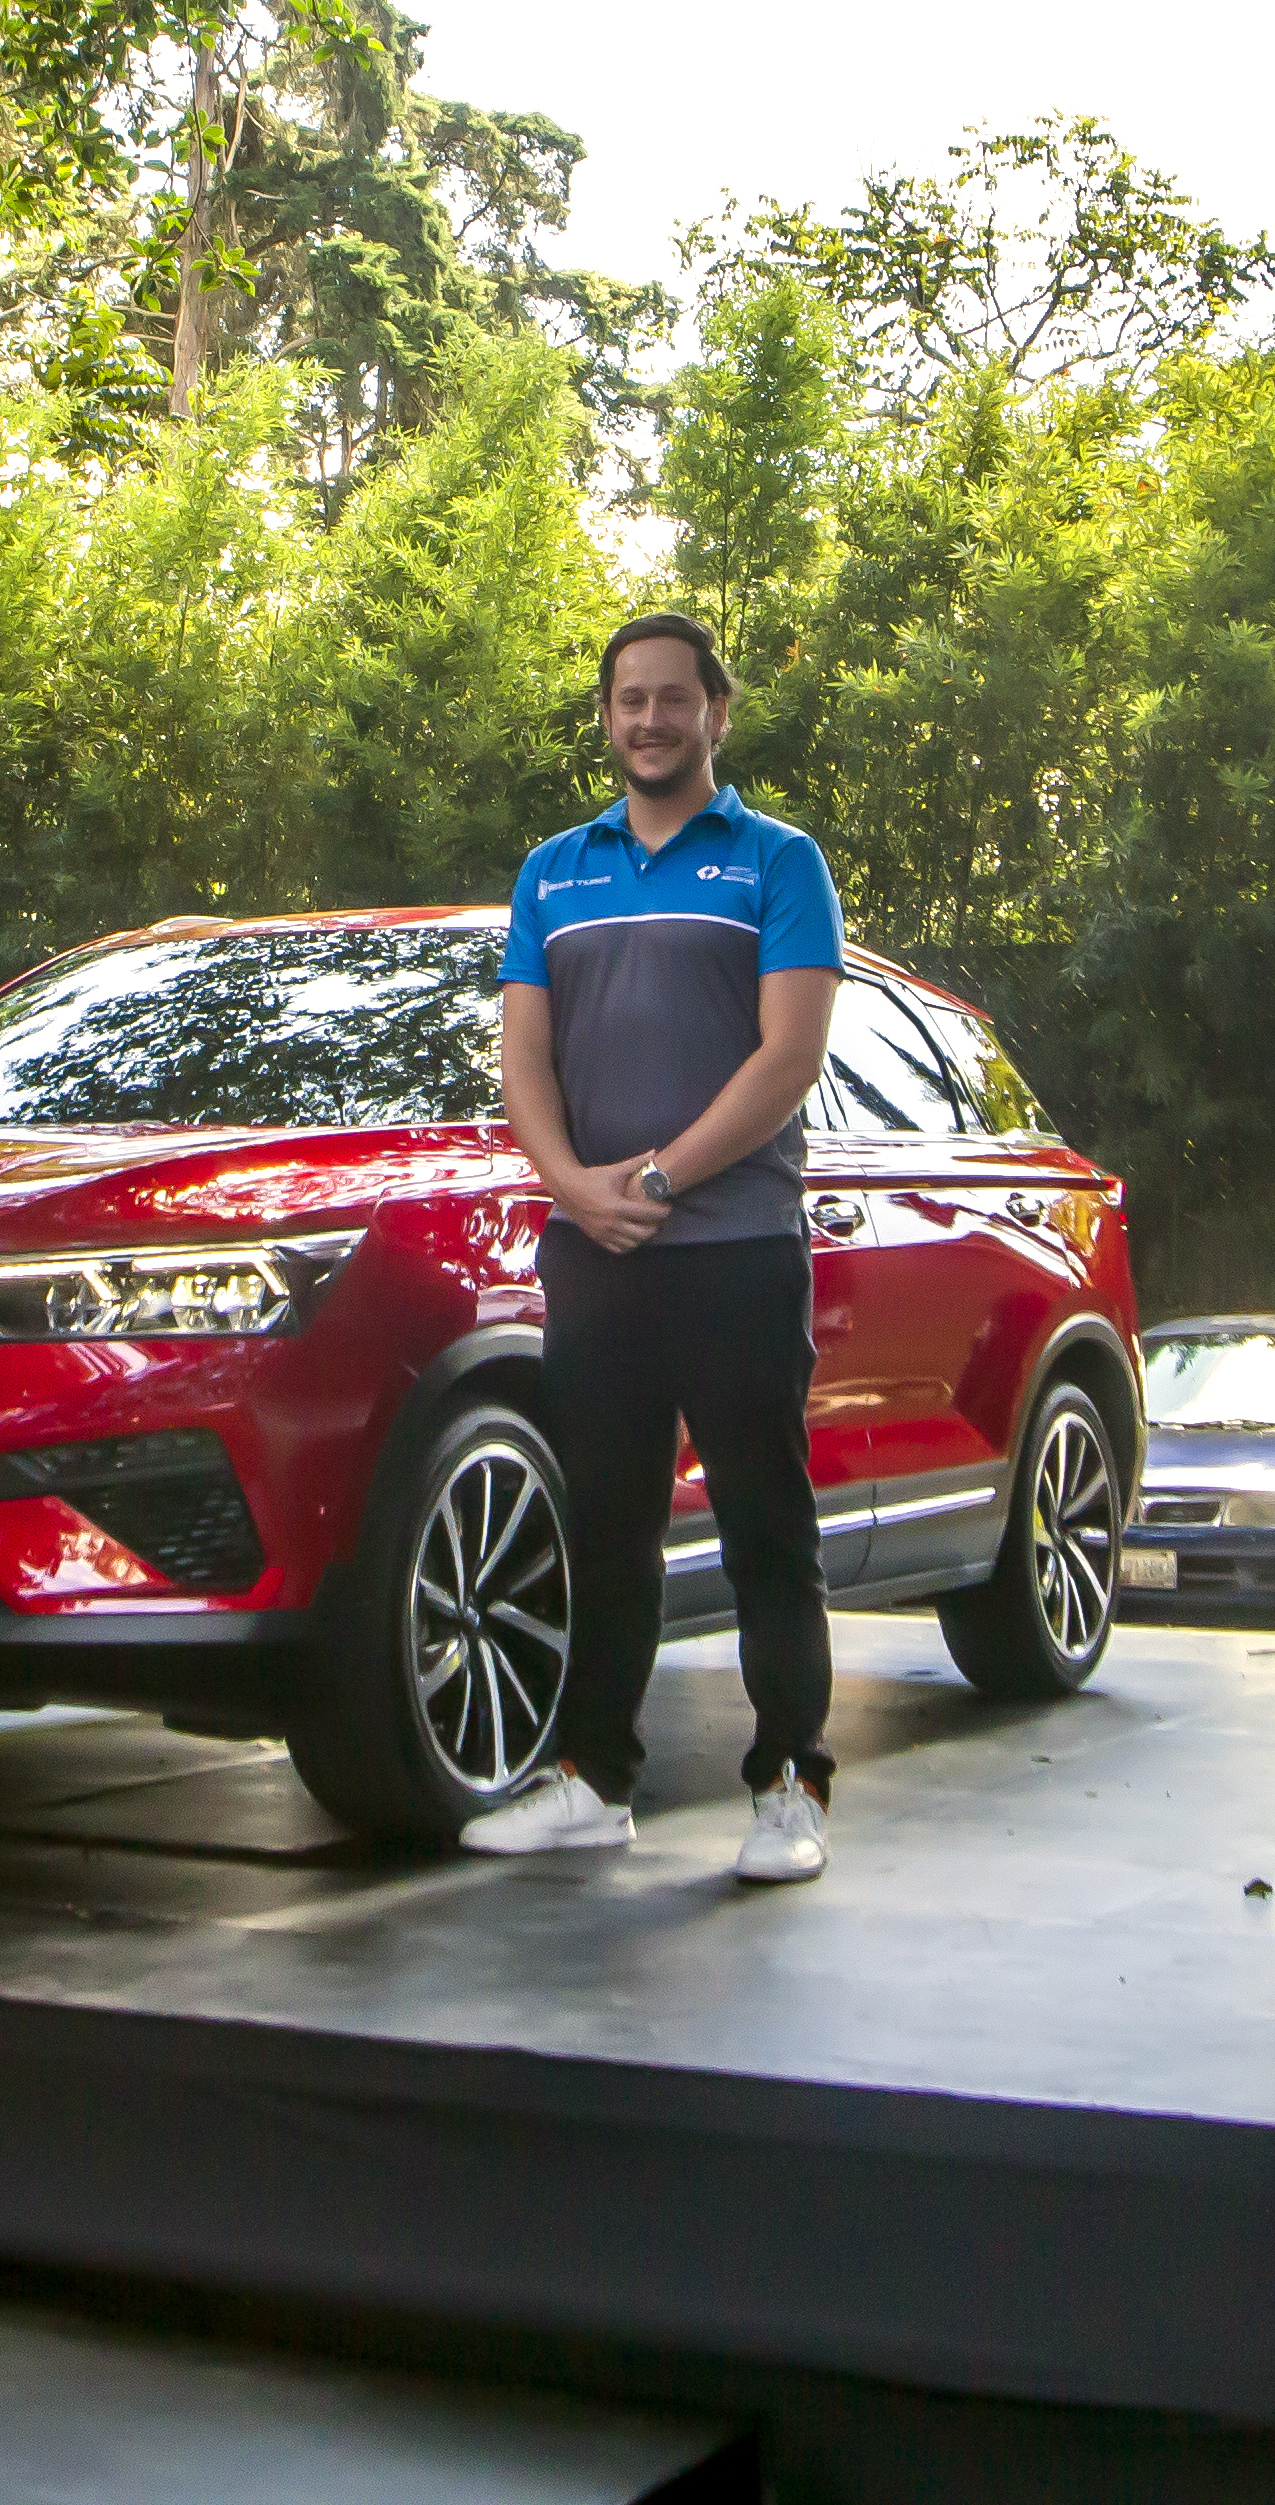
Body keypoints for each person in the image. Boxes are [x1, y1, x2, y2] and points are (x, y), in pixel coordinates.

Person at [462, 611, 849, 1885]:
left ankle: (789, 1782)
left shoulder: (778, 861)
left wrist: (661, 1175)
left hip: (735, 1244)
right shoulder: (551, 872)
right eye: (628, 699)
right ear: (606, 713)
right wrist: (573, 1187)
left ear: (715, 714)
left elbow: (787, 1057)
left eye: (672, 698)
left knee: (763, 1527)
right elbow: (523, 1054)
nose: (648, 719)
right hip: (596, 1254)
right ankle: (590, 1778)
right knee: (603, 1524)